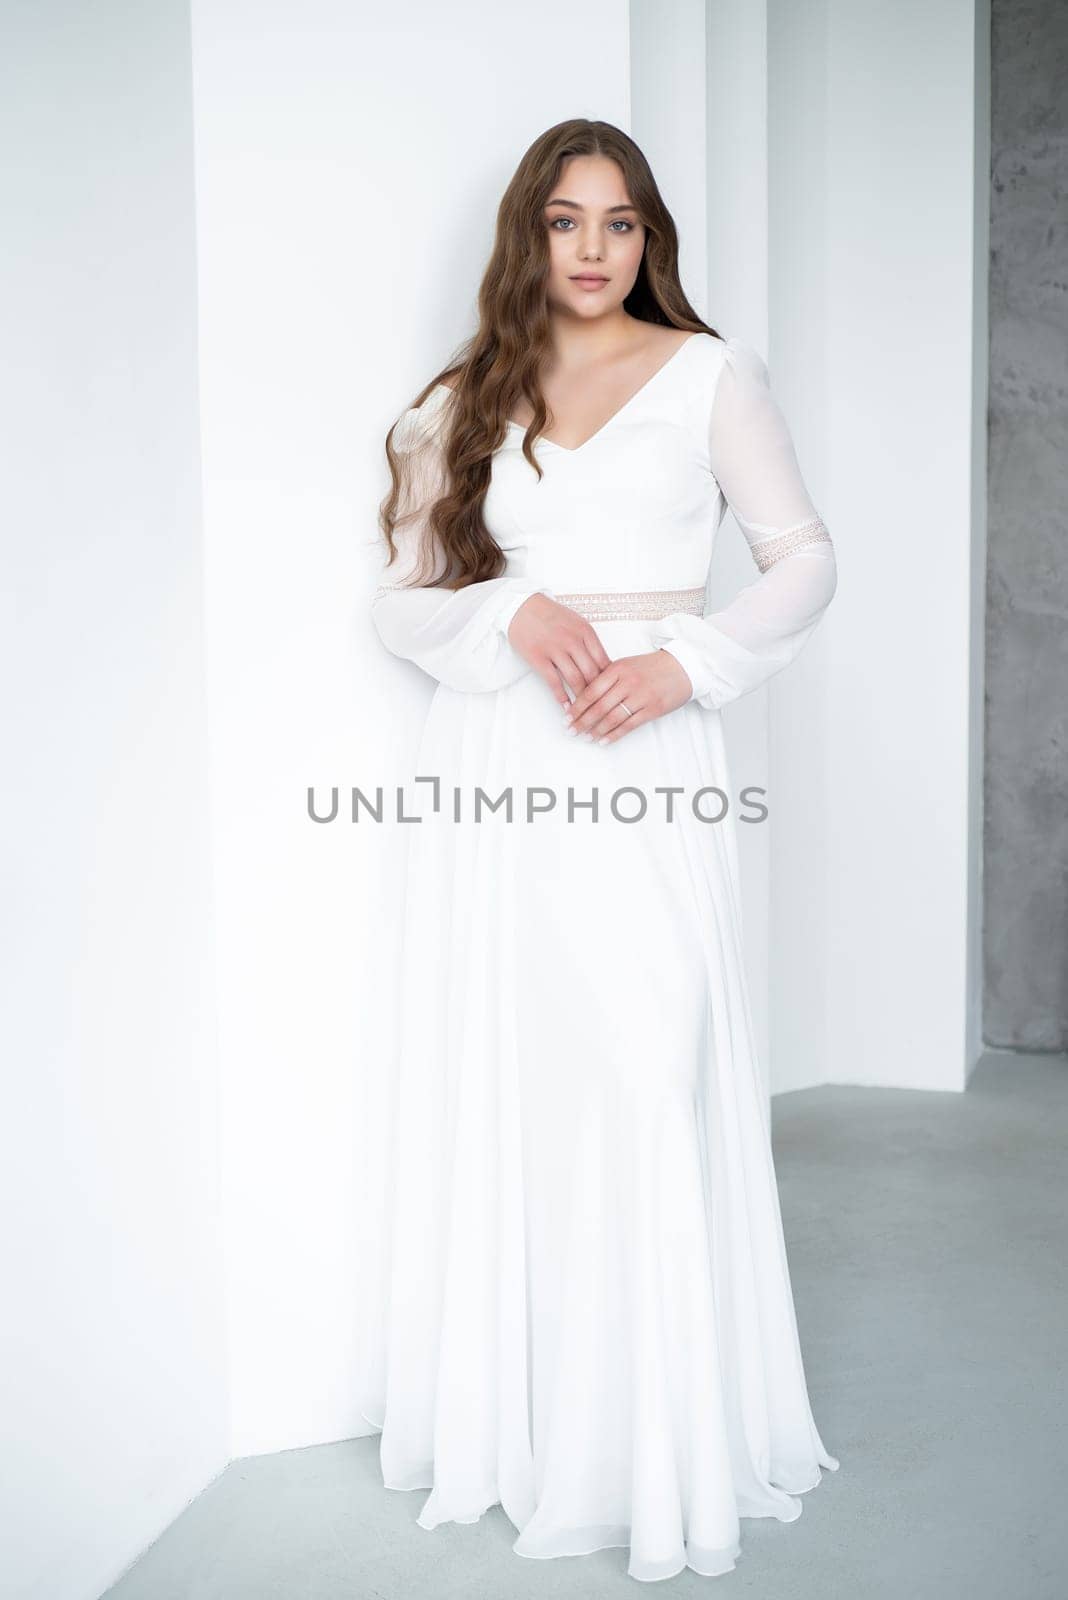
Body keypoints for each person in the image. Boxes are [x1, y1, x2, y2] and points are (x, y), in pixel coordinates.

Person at [357, 117, 839, 1584]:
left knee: (646, 1067)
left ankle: (660, 1445)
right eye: (565, 221)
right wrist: (513, 612)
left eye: (618, 223)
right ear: (530, 233)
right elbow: (406, 601)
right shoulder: (466, 395)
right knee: (527, 1081)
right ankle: (538, 1435)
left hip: (649, 752)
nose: (590, 248)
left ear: (649, 240)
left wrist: (687, 663)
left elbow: (804, 557)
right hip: (507, 761)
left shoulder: (710, 375)